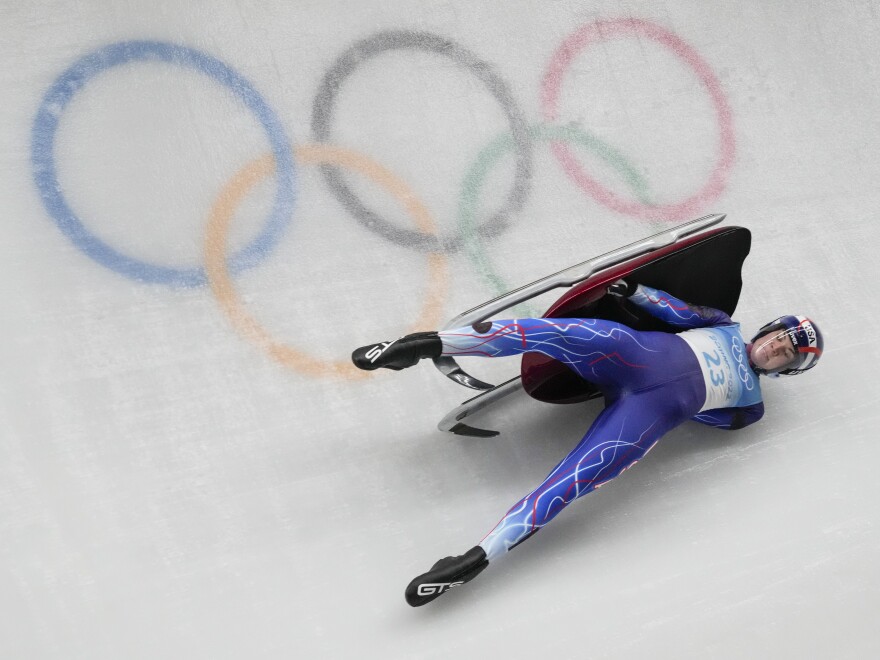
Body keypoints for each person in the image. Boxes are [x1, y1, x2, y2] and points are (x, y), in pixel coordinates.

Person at [351, 280, 824, 607]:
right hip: (629, 352)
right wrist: (635, 292)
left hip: (644, 419)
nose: (775, 347)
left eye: (786, 353)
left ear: (785, 370)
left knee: (573, 481)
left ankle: (476, 558)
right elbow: (676, 312)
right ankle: (423, 345)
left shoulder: (751, 407)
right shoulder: (724, 325)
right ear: (767, 328)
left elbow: (709, 417)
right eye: (779, 337)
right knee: (549, 333)